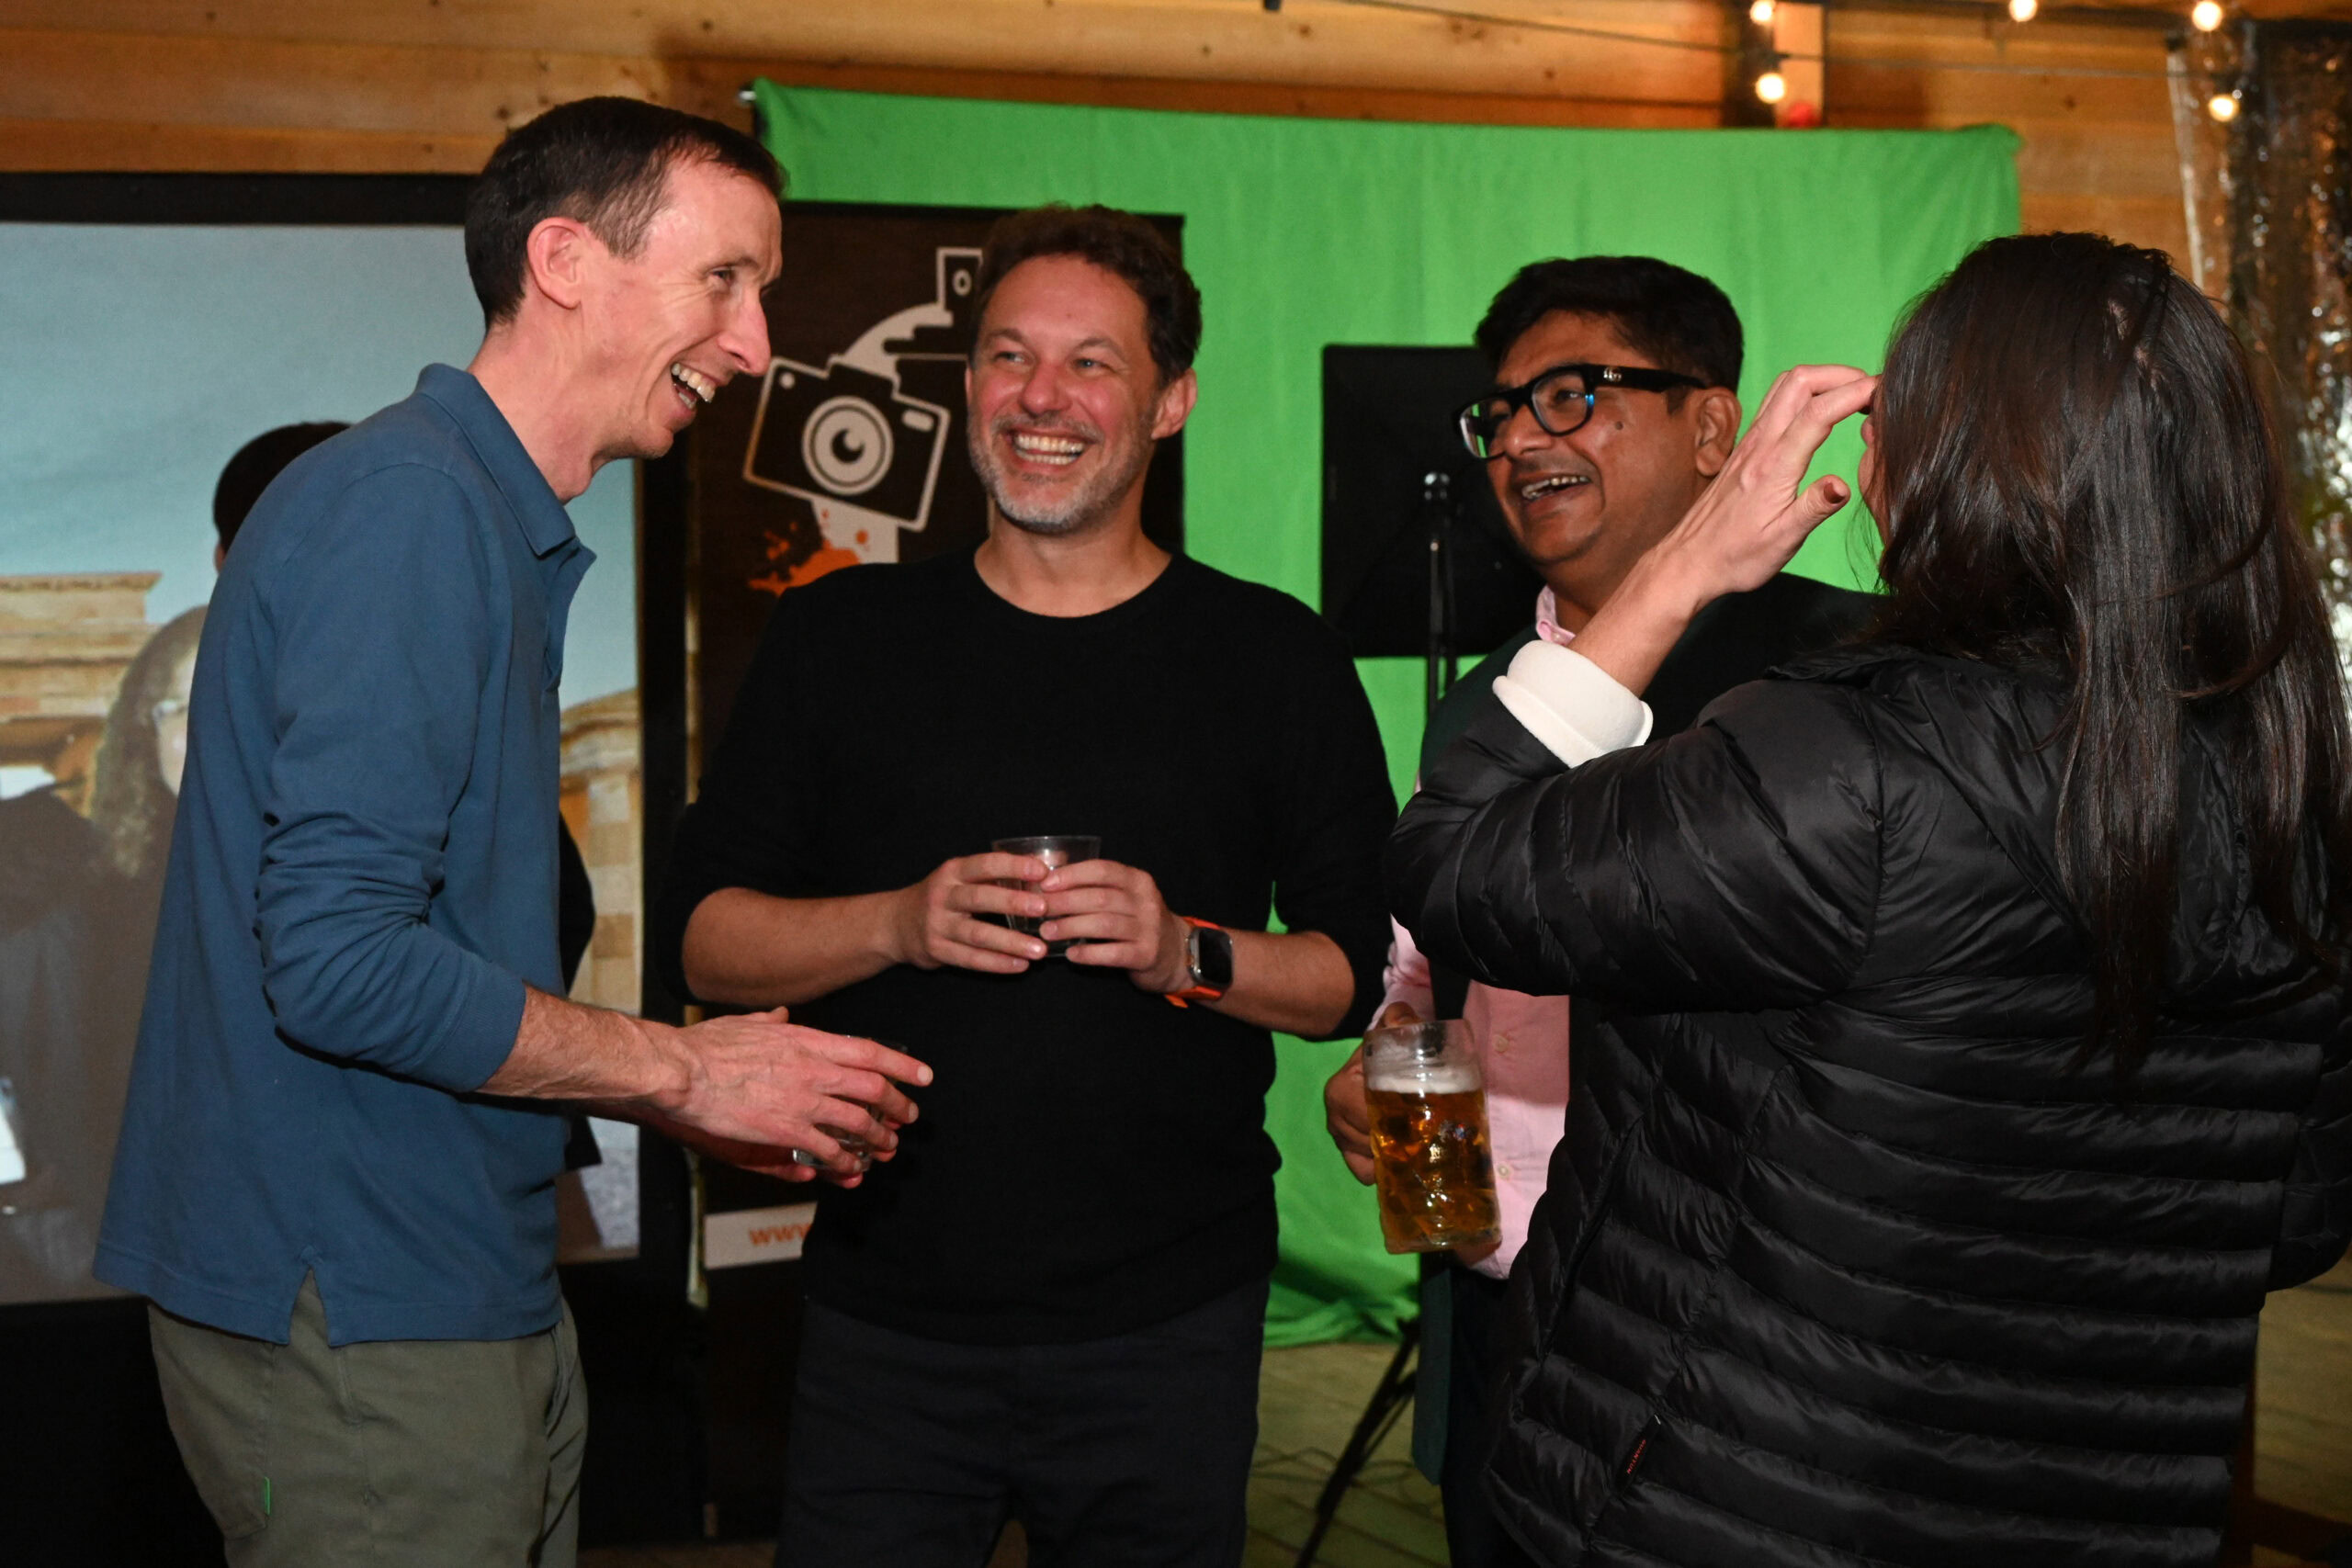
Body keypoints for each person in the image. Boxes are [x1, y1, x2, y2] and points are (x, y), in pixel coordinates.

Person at [1386, 231, 2352, 1565]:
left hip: (1757, 1504)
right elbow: (2289, 1217)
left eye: (1898, 406)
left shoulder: (1847, 760)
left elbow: (1455, 865)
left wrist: (1682, 567)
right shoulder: (2294, 783)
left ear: (1959, 460)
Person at [95, 96, 932, 1568]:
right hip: (361, 1292)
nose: (753, 344)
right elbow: (338, 964)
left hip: (445, 1280)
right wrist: (684, 1070)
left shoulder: (469, 513)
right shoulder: (411, 510)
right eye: (723, 280)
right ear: (563, 262)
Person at [654, 203, 1397, 1567]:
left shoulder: (1273, 658)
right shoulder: (837, 636)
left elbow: (1353, 976)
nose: (1040, 397)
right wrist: (897, 923)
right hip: (885, 1318)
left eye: (1091, 363)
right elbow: (705, 944)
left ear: (1170, 403)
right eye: (1008, 356)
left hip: (1170, 1324)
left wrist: (1184, 951)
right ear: (968, 386)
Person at [1319, 256, 1872, 1567]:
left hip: (1740, 1333)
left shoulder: (1846, 678)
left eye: (1572, 394)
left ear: (1713, 427)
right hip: (1498, 1309)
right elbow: (1438, 974)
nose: (1522, 438)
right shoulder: (1485, 707)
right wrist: (1389, 1057)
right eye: (1503, 410)